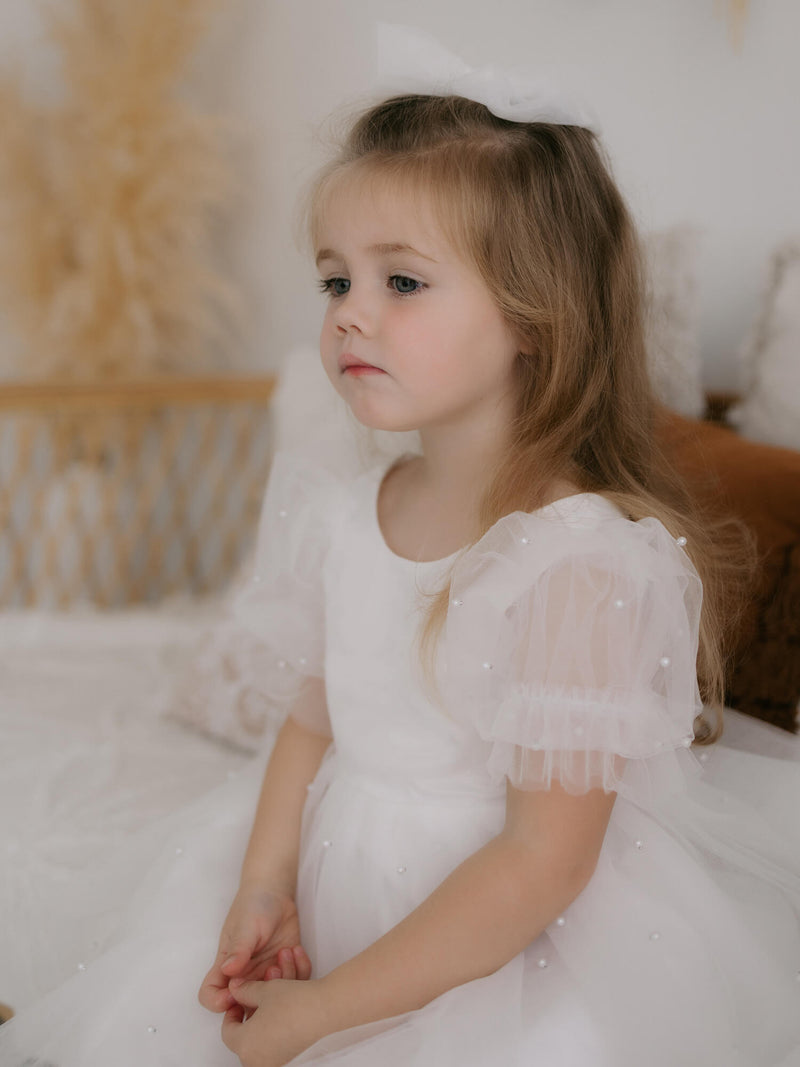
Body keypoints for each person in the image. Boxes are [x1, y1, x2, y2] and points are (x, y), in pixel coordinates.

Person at [2, 64, 800, 1067]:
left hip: (501, 934)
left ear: (531, 313)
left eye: (401, 281)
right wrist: (264, 882)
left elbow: (539, 862)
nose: (346, 312)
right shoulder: (348, 509)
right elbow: (309, 720)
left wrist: (330, 1007)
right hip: (339, 875)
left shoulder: (576, 559)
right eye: (335, 279)